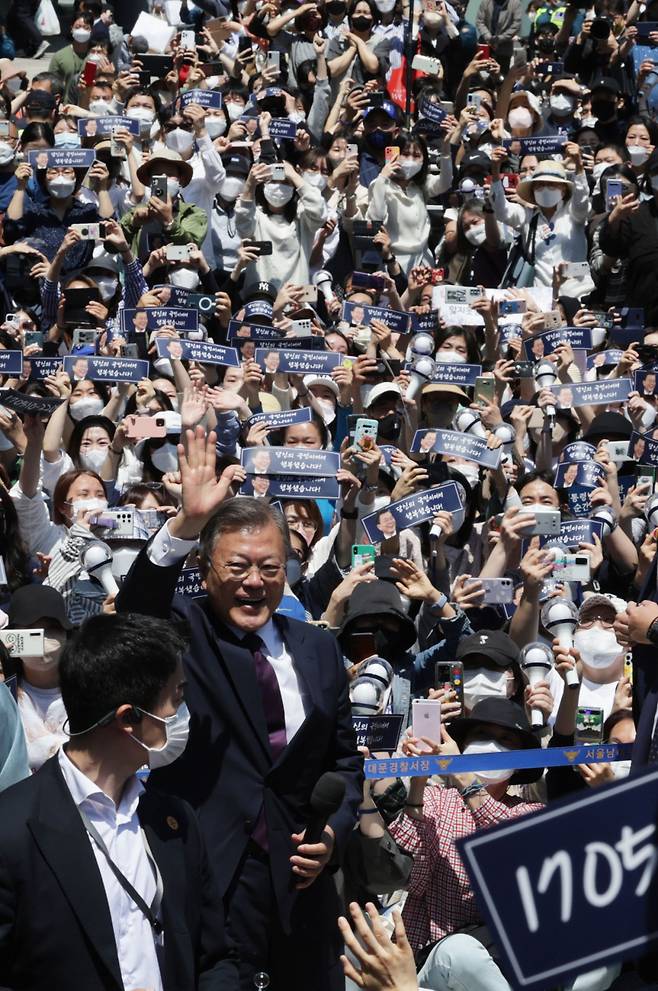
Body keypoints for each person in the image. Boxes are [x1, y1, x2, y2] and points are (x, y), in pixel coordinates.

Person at [116, 428, 362, 991]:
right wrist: (184, 524)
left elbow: (345, 765)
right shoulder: (186, 629)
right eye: (238, 568)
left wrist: (334, 835)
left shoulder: (319, 647)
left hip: (302, 889)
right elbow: (134, 614)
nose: (255, 582)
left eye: (270, 568)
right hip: (211, 880)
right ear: (205, 572)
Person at [0, 611, 240, 991]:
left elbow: (214, 958)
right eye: (176, 696)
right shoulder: (12, 830)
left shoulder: (174, 821)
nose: (181, 714)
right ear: (129, 717)